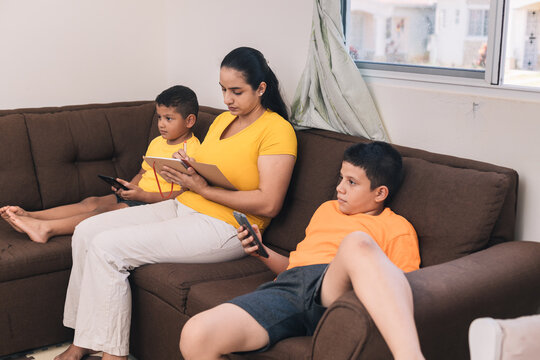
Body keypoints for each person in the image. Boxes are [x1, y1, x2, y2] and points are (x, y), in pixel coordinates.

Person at [54, 46, 297, 360]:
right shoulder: (224, 121)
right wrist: (189, 168)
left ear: (261, 88)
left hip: (227, 227)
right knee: (87, 231)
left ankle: (112, 355)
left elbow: (268, 204)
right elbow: (212, 173)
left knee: (107, 248)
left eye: (236, 91)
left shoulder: (278, 131)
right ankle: (82, 342)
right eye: (223, 90)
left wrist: (201, 187)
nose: (227, 99)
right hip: (186, 205)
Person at [180, 141, 425, 360]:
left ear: (380, 193)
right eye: (341, 178)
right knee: (195, 335)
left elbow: (403, 287)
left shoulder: (397, 228)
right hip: (289, 288)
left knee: (357, 242)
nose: (340, 188)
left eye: (352, 182)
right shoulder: (327, 210)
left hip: (338, 290)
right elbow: (296, 267)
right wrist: (261, 251)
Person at [0, 85, 200, 244]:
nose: (161, 124)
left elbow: (187, 194)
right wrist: (128, 187)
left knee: (100, 212)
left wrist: (144, 196)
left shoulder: (192, 150)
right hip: (137, 195)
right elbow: (143, 171)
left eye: (168, 118)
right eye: (159, 117)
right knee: (90, 202)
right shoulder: (157, 142)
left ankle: (45, 229)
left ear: (189, 120)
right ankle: (32, 216)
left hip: (154, 205)